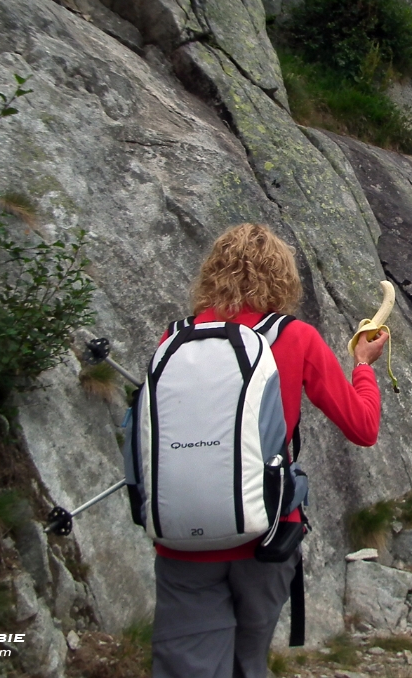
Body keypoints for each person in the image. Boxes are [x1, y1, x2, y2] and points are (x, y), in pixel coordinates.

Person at [152, 224, 389, 678]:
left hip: (181, 535)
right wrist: (363, 366)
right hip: (266, 533)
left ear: (212, 271)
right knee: (248, 661)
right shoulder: (295, 337)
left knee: (185, 666)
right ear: (282, 276)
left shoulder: (175, 338)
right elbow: (362, 427)